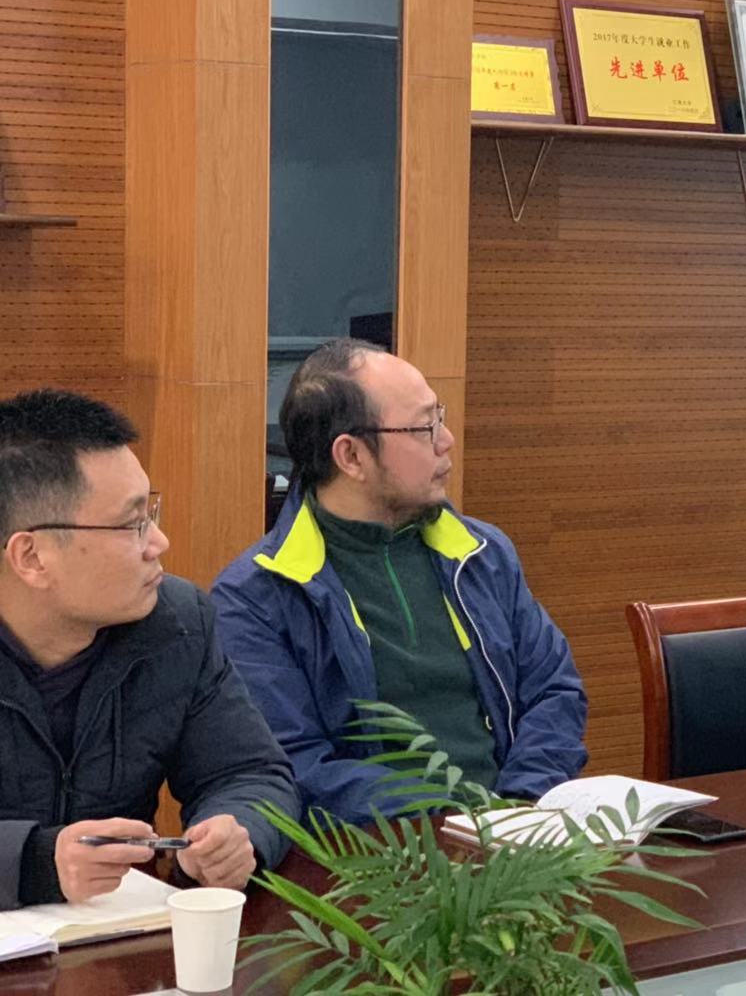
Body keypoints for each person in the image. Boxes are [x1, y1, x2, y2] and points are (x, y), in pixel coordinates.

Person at [212, 339, 587, 825]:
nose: (446, 440)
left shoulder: (482, 553)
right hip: (382, 852)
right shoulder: (255, 597)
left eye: (439, 417)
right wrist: (449, 824)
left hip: (517, 832)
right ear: (351, 456)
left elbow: (554, 690)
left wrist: (517, 807)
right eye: (424, 426)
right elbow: (294, 764)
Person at [0, 390, 298, 910]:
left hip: (121, 936)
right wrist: (33, 861)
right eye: (131, 524)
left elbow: (250, 772)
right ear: (32, 557)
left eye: (150, 513)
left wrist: (236, 832)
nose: (159, 542)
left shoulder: (176, 623)